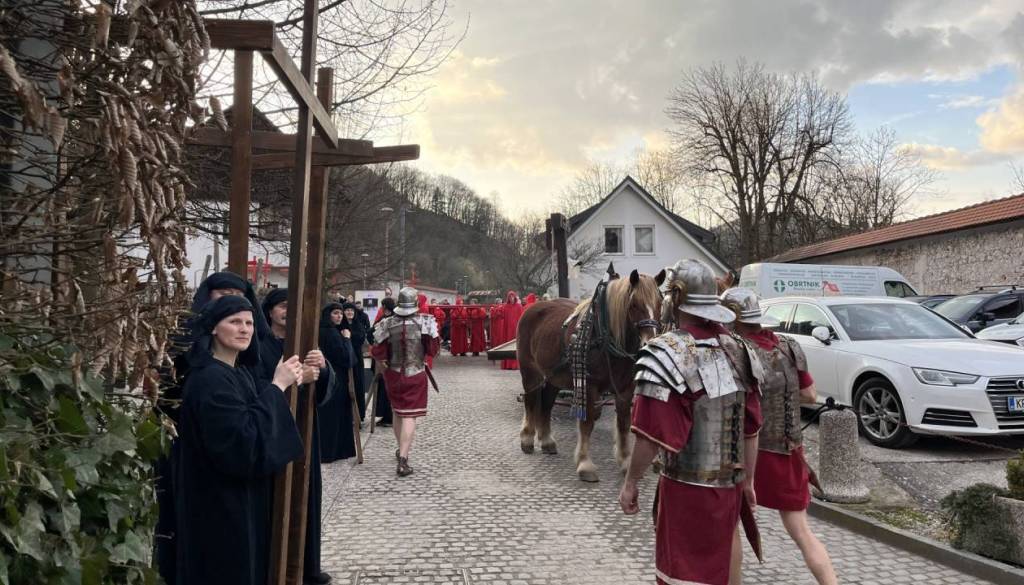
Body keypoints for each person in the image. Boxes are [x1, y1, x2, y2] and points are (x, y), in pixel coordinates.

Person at [619, 259, 763, 585]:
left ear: (676, 298)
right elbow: (752, 429)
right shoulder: (740, 350)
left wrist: (630, 483)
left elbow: (650, 435)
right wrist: (749, 482)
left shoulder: (666, 353)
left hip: (685, 487)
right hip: (729, 484)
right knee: (725, 562)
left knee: (682, 575)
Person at [175, 295, 307, 585]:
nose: (244, 329)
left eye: (248, 322)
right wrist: (277, 387)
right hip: (219, 500)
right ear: (213, 328)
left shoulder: (239, 373)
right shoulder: (209, 379)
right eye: (234, 321)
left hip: (243, 497)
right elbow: (241, 441)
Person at [155, 271, 268, 585]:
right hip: (192, 448)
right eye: (223, 294)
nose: (243, 327)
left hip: (236, 451)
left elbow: (258, 386)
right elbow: (166, 395)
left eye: (238, 294)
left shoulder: (243, 354)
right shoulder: (188, 346)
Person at [721, 288, 838, 585]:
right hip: (788, 449)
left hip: (746, 452)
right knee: (802, 532)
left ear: (732, 318)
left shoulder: (732, 349)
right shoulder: (788, 345)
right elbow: (810, 394)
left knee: (730, 529)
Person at [260, 289, 336, 585]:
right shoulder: (259, 345)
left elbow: (324, 391)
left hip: (304, 430)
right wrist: (296, 378)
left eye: (293, 306)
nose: (288, 311)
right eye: (282, 306)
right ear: (269, 312)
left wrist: (324, 368)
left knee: (305, 497)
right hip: (273, 430)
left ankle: (307, 566)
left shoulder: (306, 344)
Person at [370, 287, 441, 476]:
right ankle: (403, 458)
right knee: (409, 415)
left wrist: (383, 364)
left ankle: (401, 448)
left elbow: (377, 351)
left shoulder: (386, 323)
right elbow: (433, 350)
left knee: (397, 412)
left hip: (393, 373)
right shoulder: (425, 322)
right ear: (416, 303)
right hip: (415, 373)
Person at [318, 302, 357, 463]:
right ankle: (331, 451)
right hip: (335, 379)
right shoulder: (332, 333)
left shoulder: (326, 331)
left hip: (328, 378)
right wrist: (347, 340)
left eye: (340, 313)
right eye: (335, 313)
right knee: (332, 417)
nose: (339, 316)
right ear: (328, 315)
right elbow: (347, 359)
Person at [371, 297, 397, 427]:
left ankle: (388, 416)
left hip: (386, 359)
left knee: (386, 388)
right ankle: (388, 415)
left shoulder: (388, 320)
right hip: (392, 359)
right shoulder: (395, 320)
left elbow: (373, 335)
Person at [342, 302, 369, 421]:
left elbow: (360, 337)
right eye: (347, 310)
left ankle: (359, 414)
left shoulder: (358, 325)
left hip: (357, 359)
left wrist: (349, 336)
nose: (349, 312)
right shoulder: (340, 325)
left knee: (358, 385)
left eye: (351, 311)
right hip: (344, 359)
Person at [501, 291, 524, 370]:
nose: (511, 298)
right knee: (508, 344)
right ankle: (508, 364)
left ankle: (515, 364)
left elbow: (521, 318)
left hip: (515, 329)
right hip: (508, 330)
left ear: (515, 297)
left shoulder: (519, 306)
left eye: (512, 297)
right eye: (510, 297)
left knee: (515, 345)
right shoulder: (506, 307)